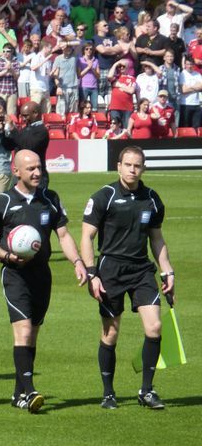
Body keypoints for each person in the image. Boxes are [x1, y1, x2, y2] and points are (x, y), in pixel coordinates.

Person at [0, 150, 87, 413]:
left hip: (42, 275)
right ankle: (29, 391)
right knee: (23, 330)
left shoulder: (50, 198)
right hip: (14, 275)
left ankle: (18, 393)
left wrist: (78, 262)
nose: (37, 173)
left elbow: (63, 235)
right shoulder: (2, 202)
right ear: (16, 171)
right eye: (31, 169)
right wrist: (7, 256)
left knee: (32, 335)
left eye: (39, 167)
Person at [80, 145, 175, 410]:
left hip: (141, 270)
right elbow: (87, 237)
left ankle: (146, 390)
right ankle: (108, 393)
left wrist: (167, 271)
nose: (133, 170)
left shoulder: (152, 199)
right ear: (119, 166)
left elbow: (157, 239)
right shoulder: (104, 197)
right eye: (128, 165)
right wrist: (92, 274)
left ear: (143, 168)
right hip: (110, 270)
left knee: (154, 328)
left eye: (138, 165)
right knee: (110, 333)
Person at [2, 101, 51, 189]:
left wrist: (13, 129)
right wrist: (2, 131)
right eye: (22, 116)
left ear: (35, 113)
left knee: (36, 202)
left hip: (36, 175)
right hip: (20, 175)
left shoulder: (41, 131)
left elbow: (28, 147)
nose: (23, 119)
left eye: (26, 115)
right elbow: (9, 146)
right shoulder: (26, 129)